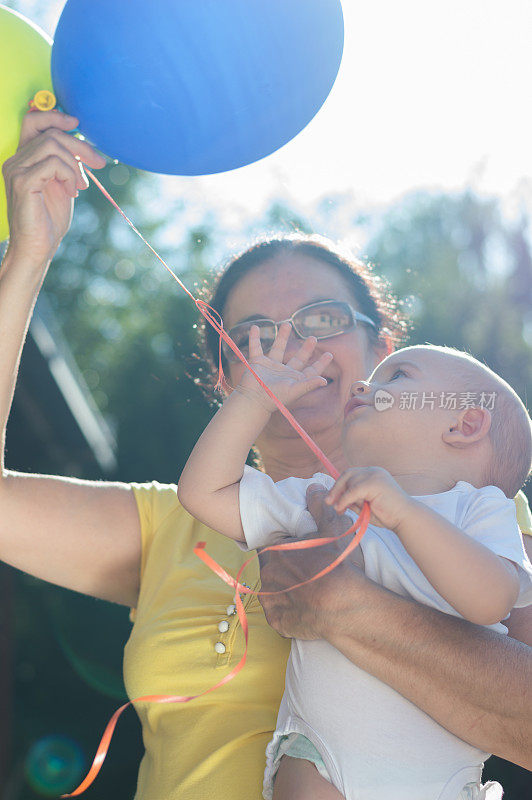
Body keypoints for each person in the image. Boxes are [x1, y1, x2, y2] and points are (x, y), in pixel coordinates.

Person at [0, 109, 531, 800]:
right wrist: (28, 254)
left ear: (383, 353)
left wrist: (349, 608)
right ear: (225, 379)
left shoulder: (471, 503)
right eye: (253, 334)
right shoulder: (170, 526)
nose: (292, 346)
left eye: (325, 321)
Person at [178, 333, 532, 800]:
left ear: (465, 424)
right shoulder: (327, 495)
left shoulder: (480, 509)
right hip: (321, 763)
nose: (363, 386)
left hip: (435, 786)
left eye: (397, 375)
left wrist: (405, 514)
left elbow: (491, 601)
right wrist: (251, 401)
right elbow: (204, 493)